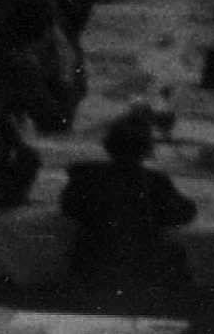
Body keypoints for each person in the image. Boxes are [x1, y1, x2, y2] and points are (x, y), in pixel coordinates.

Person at [59, 107, 198, 291]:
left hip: (95, 258)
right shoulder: (154, 181)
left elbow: (69, 207)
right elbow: (183, 213)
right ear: (147, 149)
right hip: (141, 261)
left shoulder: (86, 175)